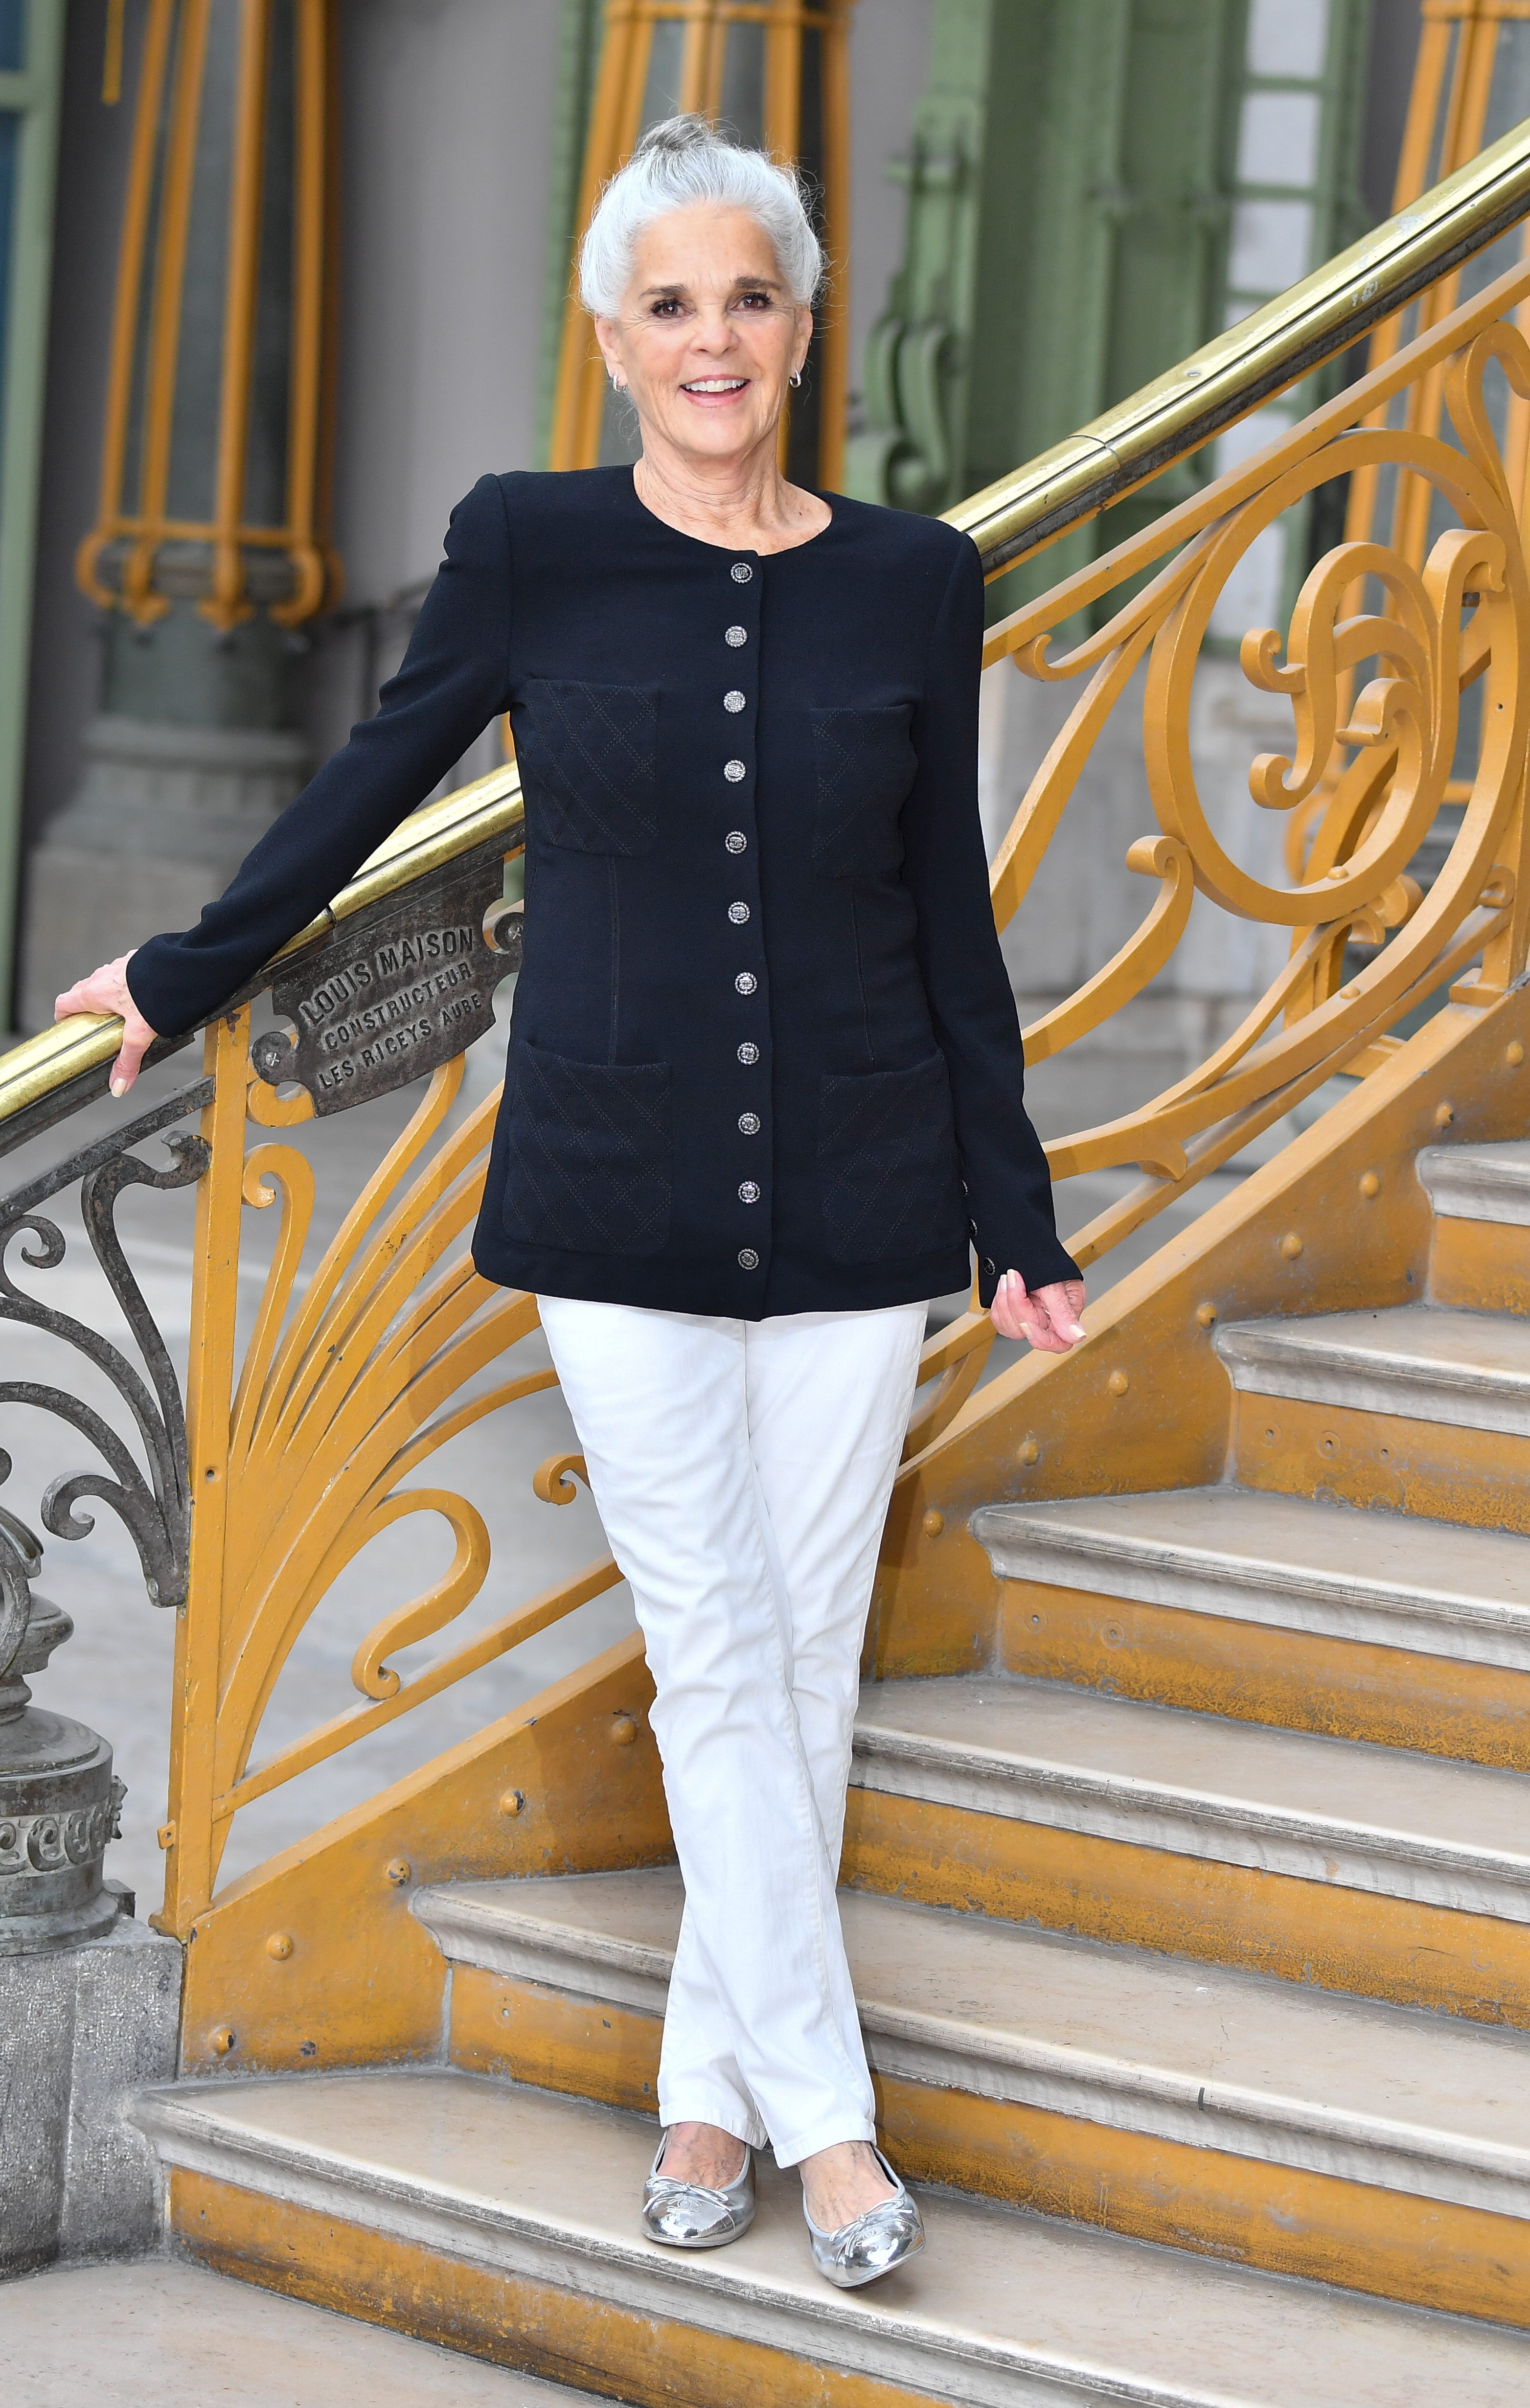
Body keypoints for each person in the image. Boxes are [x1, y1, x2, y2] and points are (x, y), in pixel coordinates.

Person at [56, 115, 1085, 2289]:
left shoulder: (913, 578)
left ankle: (706, 2090)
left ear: (802, 326)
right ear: (611, 338)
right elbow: (371, 777)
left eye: (749, 296)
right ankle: (834, 2134)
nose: (714, 337)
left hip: (868, 1193)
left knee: (802, 1664)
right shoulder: (531, 546)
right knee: (717, 1643)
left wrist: (1019, 1210)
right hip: (608, 1182)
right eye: (671, 303)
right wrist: (184, 966)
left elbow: (946, 911)